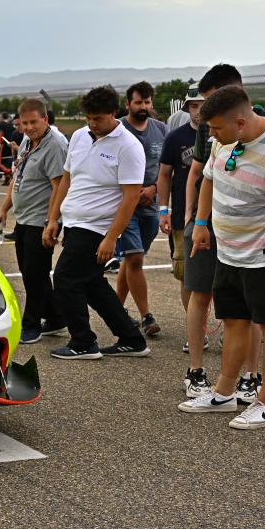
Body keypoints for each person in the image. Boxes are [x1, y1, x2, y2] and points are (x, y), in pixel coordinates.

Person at [180, 86, 265, 428]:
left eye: (215, 128)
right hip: (228, 252)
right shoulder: (223, 139)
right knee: (235, 320)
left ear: (239, 122)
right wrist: (202, 223)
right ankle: (223, 393)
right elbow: (208, 178)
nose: (211, 135)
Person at [180, 64, 265, 397]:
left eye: (213, 100)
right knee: (203, 294)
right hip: (214, 228)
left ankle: (251, 379)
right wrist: (195, 220)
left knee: (252, 311)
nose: (206, 117)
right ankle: (199, 374)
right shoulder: (212, 128)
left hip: (256, 240)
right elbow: (202, 172)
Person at [44, 86, 150, 359]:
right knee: (92, 284)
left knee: (65, 279)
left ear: (114, 113)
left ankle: (83, 343)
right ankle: (132, 339)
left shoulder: (129, 147)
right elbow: (67, 179)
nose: (92, 123)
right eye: (88, 118)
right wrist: (54, 218)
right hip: (74, 222)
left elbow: (131, 197)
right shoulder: (80, 136)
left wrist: (111, 237)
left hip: (97, 227)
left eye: (98, 118)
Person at [0, 98, 69, 344]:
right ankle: (56, 317)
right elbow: (18, 176)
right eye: (24, 123)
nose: (29, 127)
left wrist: (51, 221)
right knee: (30, 272)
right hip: (24, 218)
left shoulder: (55, 145)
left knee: (35, 275)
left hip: (41, 220)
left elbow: (59, 187)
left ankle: (31, 324)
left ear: (45, 119)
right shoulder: (27, 140)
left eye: (34, 122)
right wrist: (4, 209)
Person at [115, 82, 168, 337]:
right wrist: (132, 192)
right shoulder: (117, 129)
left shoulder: (161, 130)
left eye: (147, 102)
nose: (143, 107)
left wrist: (155, 188)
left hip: (151, 206)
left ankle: (116, 310)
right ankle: (147, 317)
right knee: (135, 258)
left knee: (131, 258)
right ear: (128, 104)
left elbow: (166, 168)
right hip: (124, 206)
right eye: (138, 102)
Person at [156, 89, 204, 365]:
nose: (198, 110)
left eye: (202, 104)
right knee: (186, 275)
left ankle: (228, 328)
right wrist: (164, 209)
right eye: (193, 106)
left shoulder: (223, 136)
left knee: (223, 277)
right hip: (183, 218)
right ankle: (195, 330)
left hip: (220, 218)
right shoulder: (175, 137)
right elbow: (164, 175)